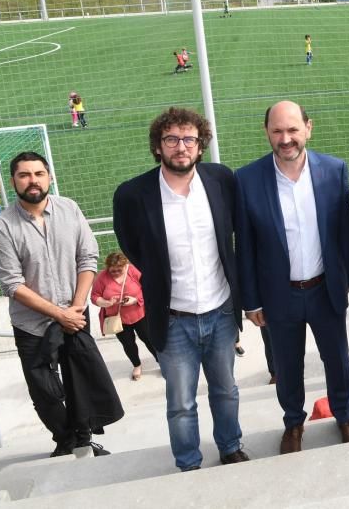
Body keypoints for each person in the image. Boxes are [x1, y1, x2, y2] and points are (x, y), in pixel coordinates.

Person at [112, 107, 247, 471]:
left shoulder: (221, 180)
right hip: (172, 320)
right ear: (158, 147)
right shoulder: (133, 194)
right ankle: (188, 463)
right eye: (171, 139)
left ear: (201, 145)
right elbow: (133, 247)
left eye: (189, 139)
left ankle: (231, 447)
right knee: (181, 402)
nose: (181, 147)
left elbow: (232, 235)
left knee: (226, 391)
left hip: (219, 312)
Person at [234, 101, 349, 454]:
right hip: (279, 295)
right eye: (277, 131)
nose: (286, 138)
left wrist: (346, 279)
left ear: (308, 127)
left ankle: (345, 415)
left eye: (292, 130)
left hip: (324, 288)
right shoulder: (247, 179)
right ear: (267, 133)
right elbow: (244, 244)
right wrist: (251, 300)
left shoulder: (333, 170)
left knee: (337, 359)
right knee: (287, 368)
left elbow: (343, 231)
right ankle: (293, 422)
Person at [0, 152, 122, 458]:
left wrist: (75, 308)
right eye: (24, 175)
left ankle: (84, 438)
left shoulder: (69, 209)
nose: (32, 180)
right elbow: (13, 284)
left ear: (49, 176)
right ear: (13, 182)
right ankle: (65, 439)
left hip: (75, 312)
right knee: (43, 390)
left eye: (38, 173)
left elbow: (87, 259)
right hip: (32, 324)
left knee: (79, 380)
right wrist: (59, 314)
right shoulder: (3, 226)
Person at [92, 252, 156, 381]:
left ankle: (162, 362)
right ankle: (136, 365)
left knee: (149, 339)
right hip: (117, 318)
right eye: (112, 270)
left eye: (118, 270)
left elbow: (149, 289)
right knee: (128, 344)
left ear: (125, 265)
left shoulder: (133, 271)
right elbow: (94, 296)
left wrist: (136, 300)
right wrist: (106, 303)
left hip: (139, 315)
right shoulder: (102, 277)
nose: (115, 273)